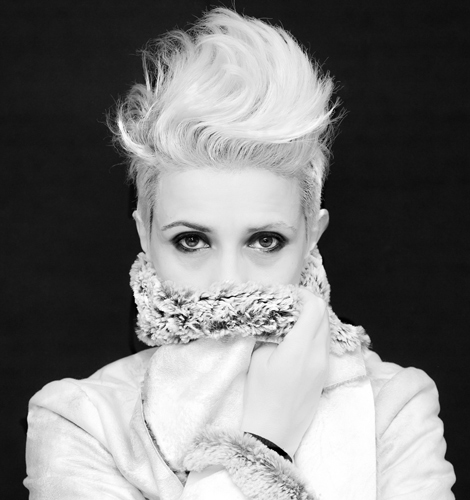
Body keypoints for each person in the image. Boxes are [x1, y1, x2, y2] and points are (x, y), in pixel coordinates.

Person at [24, 8, 455, 499]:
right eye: (191, 240)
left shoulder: (393, 407)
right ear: (144, 233)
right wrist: (263, 441)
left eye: (265, 241)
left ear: (312, 237)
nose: (228, 280)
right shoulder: (81, 422)